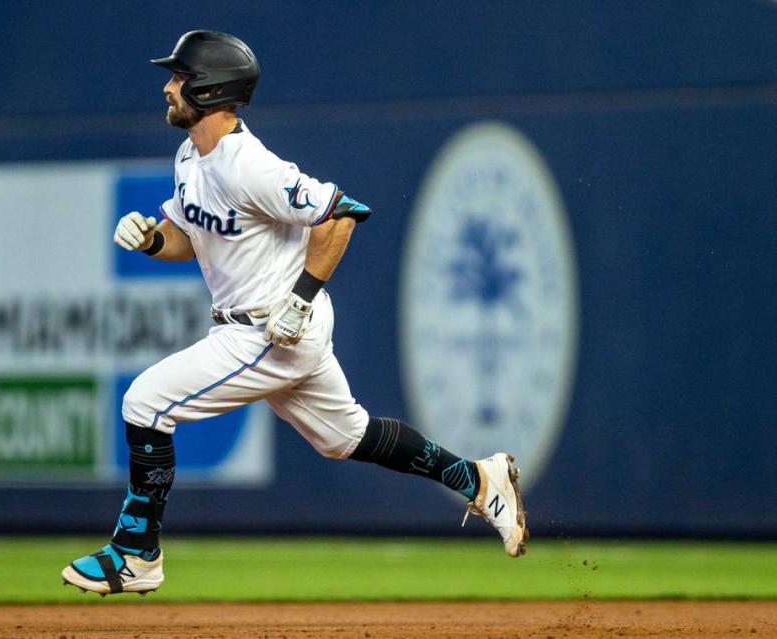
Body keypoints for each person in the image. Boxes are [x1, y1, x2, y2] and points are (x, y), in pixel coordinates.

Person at [61, 30, 528, 597]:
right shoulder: (191, 156)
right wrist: (151, 241)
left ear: (208, 90)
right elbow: (188, 233)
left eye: (179, 78)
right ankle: (478, 478)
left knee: (145, 402)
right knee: (347, 436)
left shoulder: (249, 165)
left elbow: (342, 214)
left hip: (269, 329)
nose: (168, 86)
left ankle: (137, 553)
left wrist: (301, 298)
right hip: (264, 327)